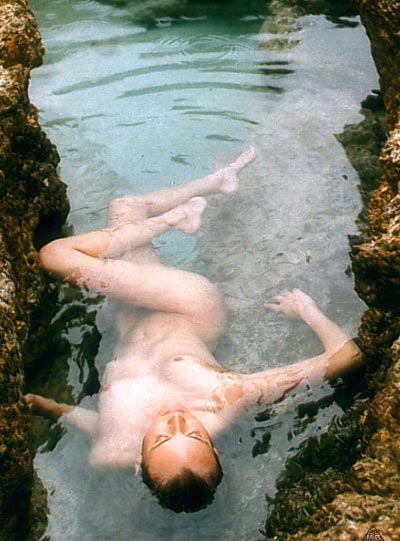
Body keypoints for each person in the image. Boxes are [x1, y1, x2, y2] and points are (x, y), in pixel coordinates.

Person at [25, 148, 362, 513]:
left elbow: (107, 425)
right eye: (193, 433)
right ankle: (173, 219)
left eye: (161, 438)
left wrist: (53, 409)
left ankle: (218, 182)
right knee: (56, 256)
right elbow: (346, 357)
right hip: (187, 306)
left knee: (125, 208)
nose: (176, 419)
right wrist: (308, 311)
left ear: (137, 461)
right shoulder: (225, 397)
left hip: (132, 316)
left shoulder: (111, 451)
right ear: (213, 447)